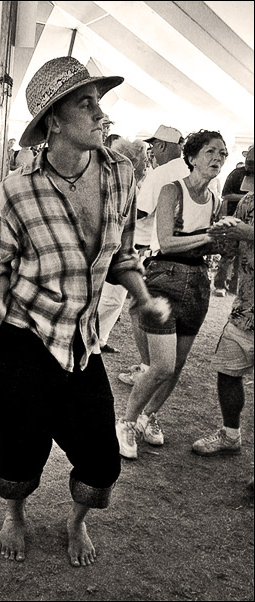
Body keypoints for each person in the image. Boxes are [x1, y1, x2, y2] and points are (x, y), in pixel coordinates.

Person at [0, 56, 170, 566]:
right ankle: (15, 515)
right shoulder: (17, 191)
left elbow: (123, 254)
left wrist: (144, 297)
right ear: (54, 122)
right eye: (87, 104)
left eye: (100, 102)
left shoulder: (121, 175)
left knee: (101, 459)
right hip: (23, 336)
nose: (101, 114)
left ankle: (75, 521)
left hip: (81, 339)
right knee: (20, 448)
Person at [116, 129, 229, 460]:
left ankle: (148, 418)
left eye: (222, 154)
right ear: (192, 157)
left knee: (176, 366)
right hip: (164, 276)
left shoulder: (216, 201)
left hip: (197, 284)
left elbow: (214, 249)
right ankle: (126, 421)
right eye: (211, 152)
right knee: (161, 365)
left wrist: (226, 239)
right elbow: (166, 242)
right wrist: (208, 235)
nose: (218, 159)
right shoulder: (172, 190)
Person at [192, 147, 253, 458]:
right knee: (228, 372)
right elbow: (229, 249)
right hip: (245, 309)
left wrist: (250, 233)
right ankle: (231, 434)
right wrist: (219, 235)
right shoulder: (247, 202)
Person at [118, 125, 189, 386]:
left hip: (160, 252)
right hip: (191, 254)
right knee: (176, 315)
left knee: (139, 308)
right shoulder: (193, 168)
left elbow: (140, 212)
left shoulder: (162, 173)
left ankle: (149, 368)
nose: (151, 152)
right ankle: (166, 367)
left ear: (161, 146)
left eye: (153, 146)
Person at [98, 137, 148, 353]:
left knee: (113, 300)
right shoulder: (117, 181)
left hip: (125, 252)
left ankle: (99, 340)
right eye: (144, 160)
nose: (147, 164)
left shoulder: (131, 182)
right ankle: (96, 340)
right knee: (110, 299)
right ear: (132, 161)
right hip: (116, 252)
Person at [212, 144, 253, 297]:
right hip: (235, 218)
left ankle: (236, 287)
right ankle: (220, 285)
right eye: (249, 160)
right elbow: (226, 195)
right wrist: (247, 198)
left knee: (245, 255)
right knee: (229, 252)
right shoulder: (236, 174)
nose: (250, 164)